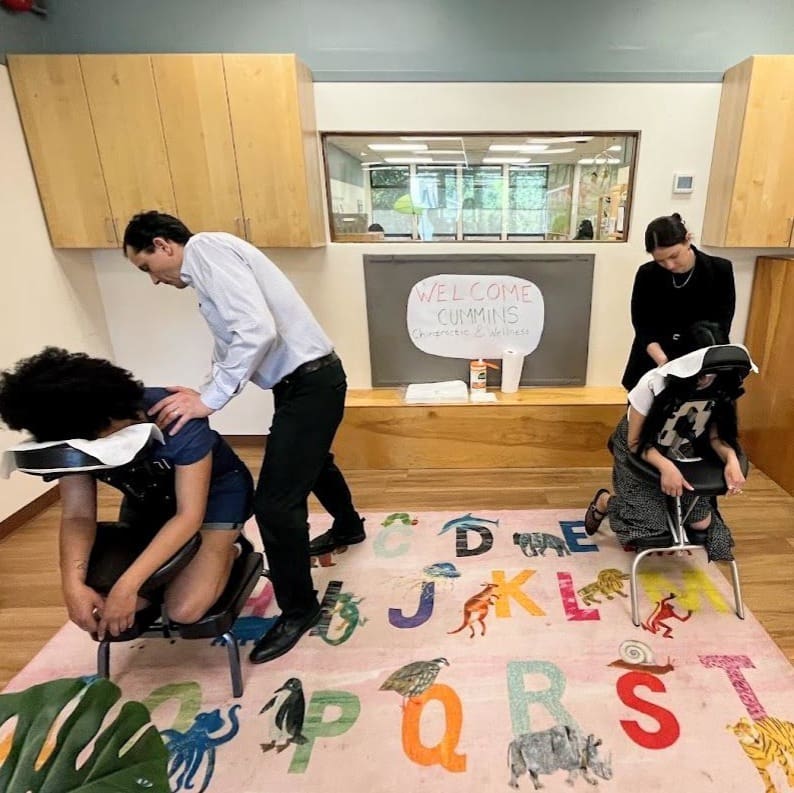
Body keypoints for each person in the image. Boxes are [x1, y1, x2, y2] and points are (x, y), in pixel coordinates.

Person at [122, 211, 365, 664]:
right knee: (312, 463)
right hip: (305, 383)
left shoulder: (208, 251)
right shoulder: (210, 262)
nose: (152, 280)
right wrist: (205, 389)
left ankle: (300, 610)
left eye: (145, 267)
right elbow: (234, 340)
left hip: (310, 384)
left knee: (275, 504)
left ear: (162, 246)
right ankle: (350, 527)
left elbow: (256, 330)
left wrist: (211, 400)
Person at [0, 348, 254, 641]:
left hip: (214, 498)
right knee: (113, 609)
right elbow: (77, 515)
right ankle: (175, 568)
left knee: (183, 610)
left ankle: (228, 549)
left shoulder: (174, 413)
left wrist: (127, 585)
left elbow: (189, 515)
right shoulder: (74, 433)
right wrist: (72, 585)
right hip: (147, 501)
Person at [585, 322, 747, 562]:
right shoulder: (653, 383)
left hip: (684, 449)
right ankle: (606, 501)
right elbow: (635, 441)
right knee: (651, 528)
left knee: (701, 522)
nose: (705, 380)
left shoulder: (721, 384)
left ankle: (663, 505)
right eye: (700, 374)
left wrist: (730, 458)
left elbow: (715, 437)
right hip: (640, 449)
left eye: (711, 374)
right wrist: (665, 466)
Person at [621, 213, 735, 390]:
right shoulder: (647, 274)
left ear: (687, 240)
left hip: (702, 363)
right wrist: (665, 364)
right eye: (660, 260)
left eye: (674, 256)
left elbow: (721, 324)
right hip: (653, 362)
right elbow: (643, 326)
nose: (669, 265)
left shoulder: (719, 270)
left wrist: (703, 367)